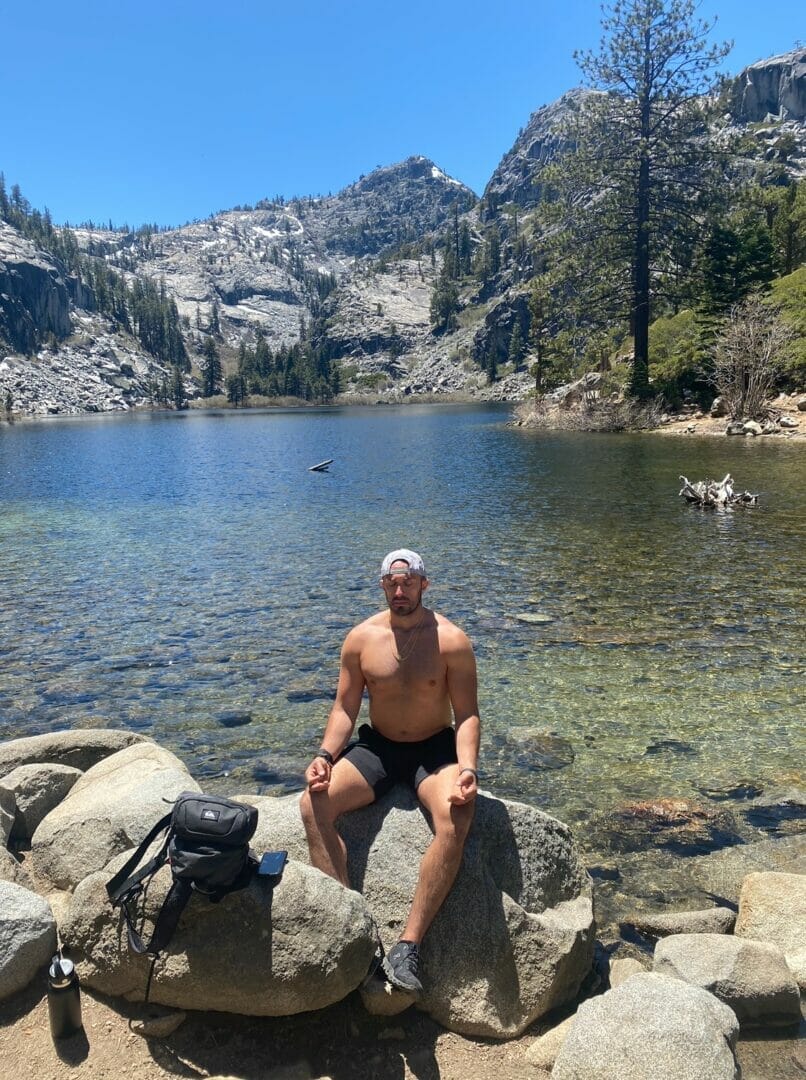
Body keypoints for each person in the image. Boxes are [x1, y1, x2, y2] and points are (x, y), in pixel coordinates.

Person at [300, 548, 480, 998]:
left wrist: (468, 769)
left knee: (457, 815)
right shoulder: (361, 639)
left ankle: (408, 946)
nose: (400, 591)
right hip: (378, 748)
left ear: (424, 584)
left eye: (408, 582)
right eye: (392, 583)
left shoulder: (451, 640)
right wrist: (325, 755)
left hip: (433, 750)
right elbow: (345, 708)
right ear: (383, 585)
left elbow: (467, 715)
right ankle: (351, 929)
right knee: (313, 802)